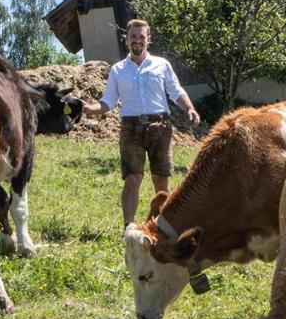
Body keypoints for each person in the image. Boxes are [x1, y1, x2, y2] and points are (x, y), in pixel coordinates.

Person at [82, 19, 200, 225]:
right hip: (131, 129)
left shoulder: (162, 65)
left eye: (142, 37)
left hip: (160, 127)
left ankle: (161, 225)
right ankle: (129, 228)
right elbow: (108, 102)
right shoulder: (118, 70)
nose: (138, 40)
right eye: (133, 36)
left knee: (161, 179)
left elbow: (176, 91)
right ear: (127, 38)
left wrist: (189, 108)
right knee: (132, 179)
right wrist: (89, 109)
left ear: (148, 39)